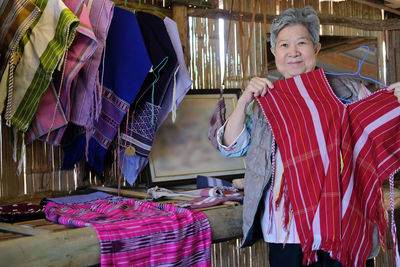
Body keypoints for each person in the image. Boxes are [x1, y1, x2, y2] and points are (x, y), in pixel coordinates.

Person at [217, 6, 400, 267]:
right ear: (274, 52)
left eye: (301, 43)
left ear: (316, 48)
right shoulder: (265, 103)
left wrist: (395, 103)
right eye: (284, 45)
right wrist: (245, 99)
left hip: (343, 222)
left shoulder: (347, 90)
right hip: (286, 232)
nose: (293, 52)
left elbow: (377, 138)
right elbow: (231, 147)